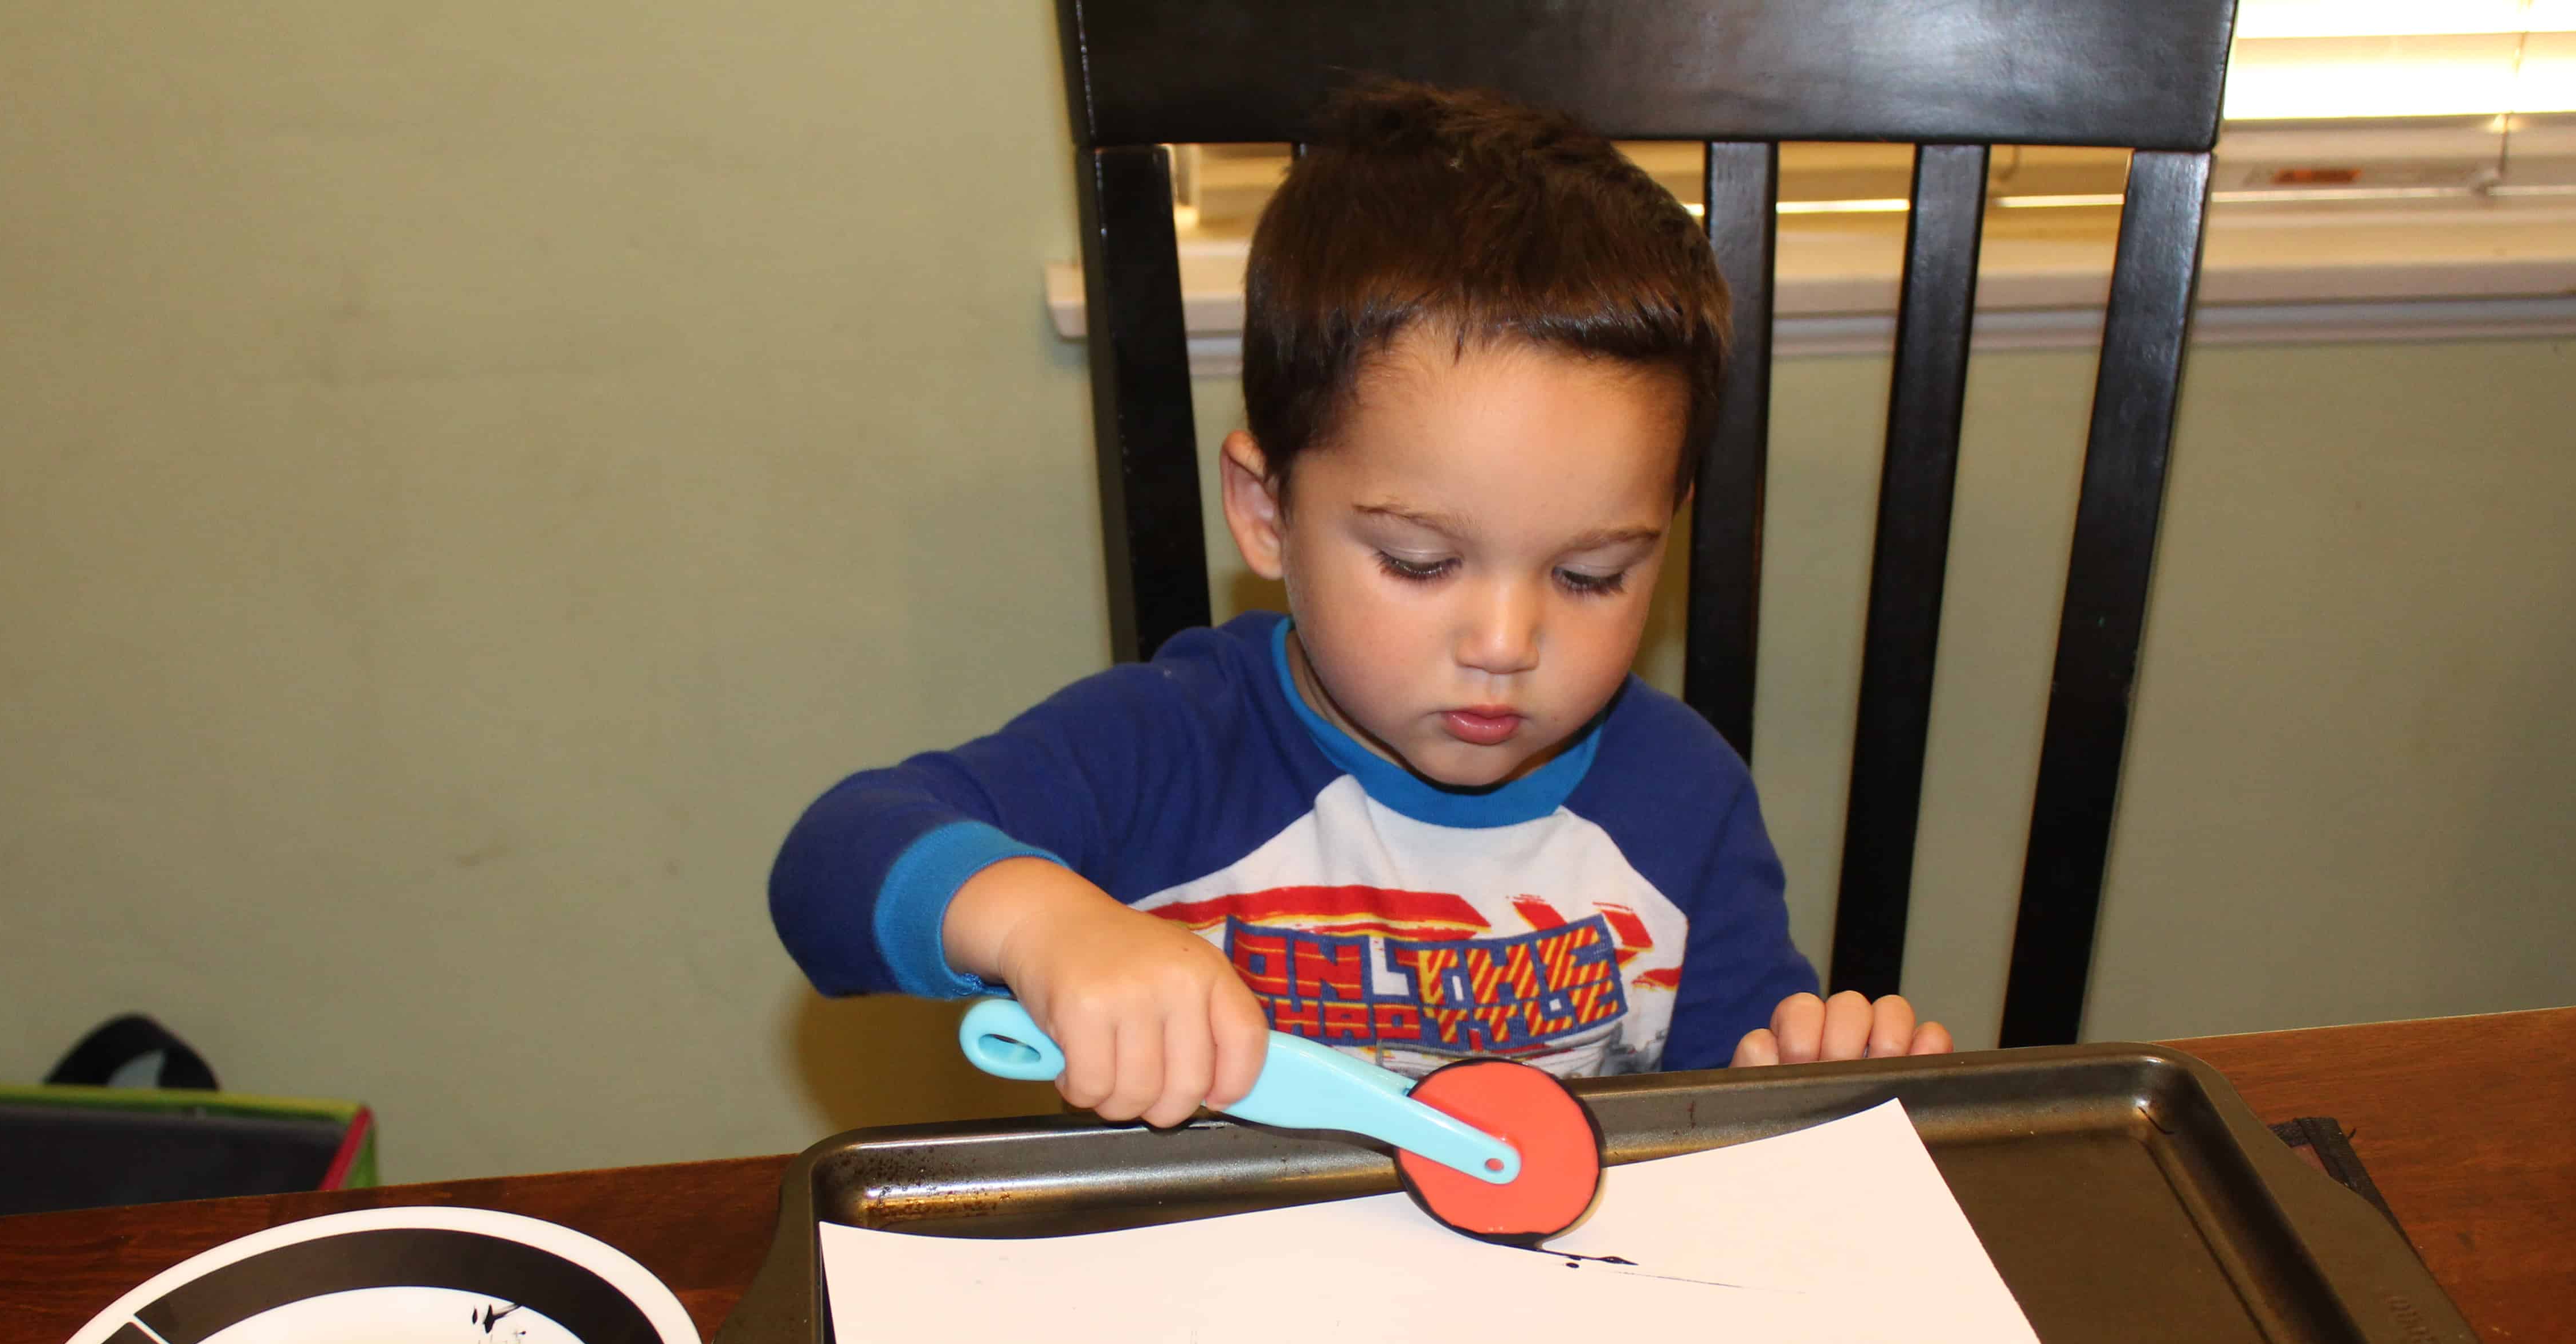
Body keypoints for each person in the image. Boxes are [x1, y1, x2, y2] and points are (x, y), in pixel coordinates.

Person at [771, 80, 1950, 1129]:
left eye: (1592, 575)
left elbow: (1721, 1118)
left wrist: (1806, 1087)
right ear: (1267, 511)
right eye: (1420, 562)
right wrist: (1043, 923)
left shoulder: (1681, 798)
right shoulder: (1172, 747)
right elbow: (834, 862)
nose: (1505, 644)